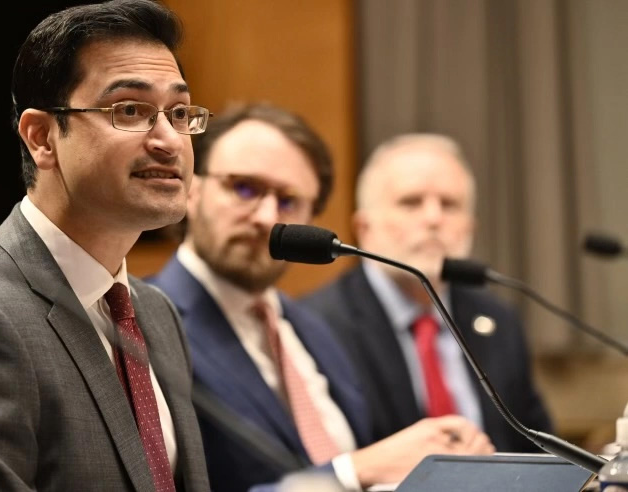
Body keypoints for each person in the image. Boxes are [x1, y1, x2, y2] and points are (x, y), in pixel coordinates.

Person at [0, 0, 212, 491]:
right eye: (130, 110)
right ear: (42, 137)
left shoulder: (155, 312)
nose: (169, 140)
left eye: (178, 112)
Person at [149, 105, 493, 492]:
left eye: (289, 200)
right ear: (193, 190)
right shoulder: (143, 325)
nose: (267, 217)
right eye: (244, 188)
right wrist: (351, 472)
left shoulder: (309, 328)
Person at [301, 133, 552, 453]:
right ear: (364, 229)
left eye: (449, 205)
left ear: (470, 227)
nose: (434, 219)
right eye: (411, 202)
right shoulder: (318, 325)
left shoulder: (498, 319)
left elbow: (539, 449)